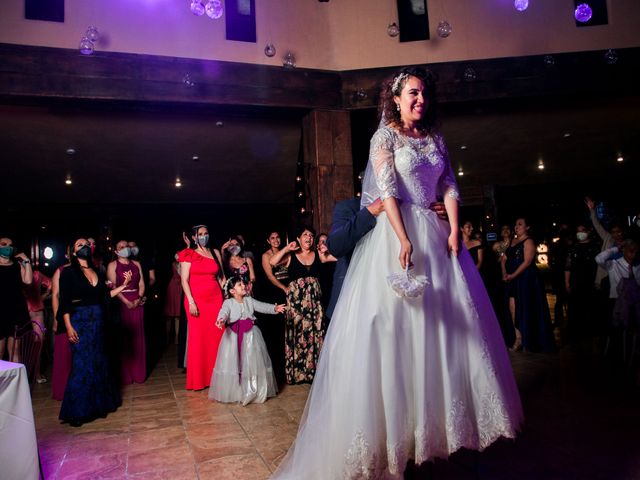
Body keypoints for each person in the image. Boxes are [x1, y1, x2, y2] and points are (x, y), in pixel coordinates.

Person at [271, 67, 522, 479]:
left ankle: (439, 428)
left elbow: (450, 186)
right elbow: (387, 188)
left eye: (423, 92)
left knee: (449, 329)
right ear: (396, 97)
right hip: (397, 231)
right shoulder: (384, 136)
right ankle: (395, 432)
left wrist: (456, 230)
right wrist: (403, 239)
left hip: (436, 231)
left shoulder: (437, 138)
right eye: (412, 92)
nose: (420, 98)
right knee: (394, 328)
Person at [58, 238, 132, 426]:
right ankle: (78, 411)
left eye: (86, 244)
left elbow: (104, 296)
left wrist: (123, 285)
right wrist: (68, 326)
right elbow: (64, 301)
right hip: (80, 322)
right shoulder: (67, 273)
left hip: (98, 322)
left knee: (99, 362)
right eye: (79, 245)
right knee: (82, 365)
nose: (84, 247)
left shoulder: (97, 270)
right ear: (73, 252)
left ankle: (100, 406)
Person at [269, 225, 335, 384]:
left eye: (311, 235)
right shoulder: (291, 256)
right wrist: (286, 249)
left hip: (314, 304)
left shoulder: (318, 254)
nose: (309, 237)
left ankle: (315, 373)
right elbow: (272, 262)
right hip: (297, 305)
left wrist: (328, 249)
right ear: (298, 238)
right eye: (305, 234)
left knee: (314, 335)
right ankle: (298, 374)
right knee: (298, 336)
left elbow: (338, 258)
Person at [209, 276, 285, 405]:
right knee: (235, 363)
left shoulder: (249, 300)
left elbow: (261, 306)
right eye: (239, 285)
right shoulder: (228, 303)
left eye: (243, 284)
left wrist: (274, 308)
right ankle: (236, 392)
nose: (243, 286)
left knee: (251, 362)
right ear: (232, 291)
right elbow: (224, 312)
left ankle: (252, 389)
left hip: (250, 335)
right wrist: (221, 319)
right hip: (234, 337)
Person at [179, 225, 225, 390]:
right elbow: (184, 280)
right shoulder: (188, 254)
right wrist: (191, 301)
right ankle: (199, 380)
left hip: (216, 299)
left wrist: (233, 293)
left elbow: (221, 278)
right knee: (199, 340)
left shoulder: (215, 252)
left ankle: (217, 377)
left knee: (218, 337)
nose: (204, 236)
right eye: (200, 234)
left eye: (206, 233)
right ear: (193, 237)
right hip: (196, 301)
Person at [501, 218, 555, 352]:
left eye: (520, 224)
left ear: (527, 227)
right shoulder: (511, 242)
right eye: (516, 224)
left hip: (526, 279)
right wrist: (504, 273)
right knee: (512, 306)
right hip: (512, 279)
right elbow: (503, 259)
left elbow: (528, 262)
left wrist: (513, 275)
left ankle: (528, 339)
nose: (516, 226)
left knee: (525, 307)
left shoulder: (528, 241)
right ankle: (518, 338)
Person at [107, 240, 146, 384]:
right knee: (124, 339)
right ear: (116, 251)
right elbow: (113, 287)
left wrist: (139, 298)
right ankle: (125, 375)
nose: (125, 249)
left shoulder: (136, 264)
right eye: (121, 247)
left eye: (127, 247)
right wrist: (126, 302)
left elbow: (142, 284)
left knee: (138, 338)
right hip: (121, 303)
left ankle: (138, 373)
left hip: (137, 301)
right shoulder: (112, 266)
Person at [0, 237, 32, 362]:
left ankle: (14, 381)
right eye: (4, 244)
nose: (8, 247)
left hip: (16, 310)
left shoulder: (17, 265)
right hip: (1, 311)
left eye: (10, 245)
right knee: (0, 351)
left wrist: (27, 261)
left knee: (15, 350)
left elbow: (28, 280)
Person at [22, 265, 52, 382]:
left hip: (33, 311)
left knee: (37, 344)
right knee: (23, 345)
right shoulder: (34, 274)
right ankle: (33, 375)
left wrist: (42, 297)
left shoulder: (36, 274)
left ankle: (36, 374)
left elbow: (51, 284)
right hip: (24, 311)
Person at [164, 251, 183, 345]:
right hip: (172, 288)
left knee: (177, 315)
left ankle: (176, 337)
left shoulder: (183, 264)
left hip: (180, 288)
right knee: (169, 314)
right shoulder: (172, 264)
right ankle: (167, 337)